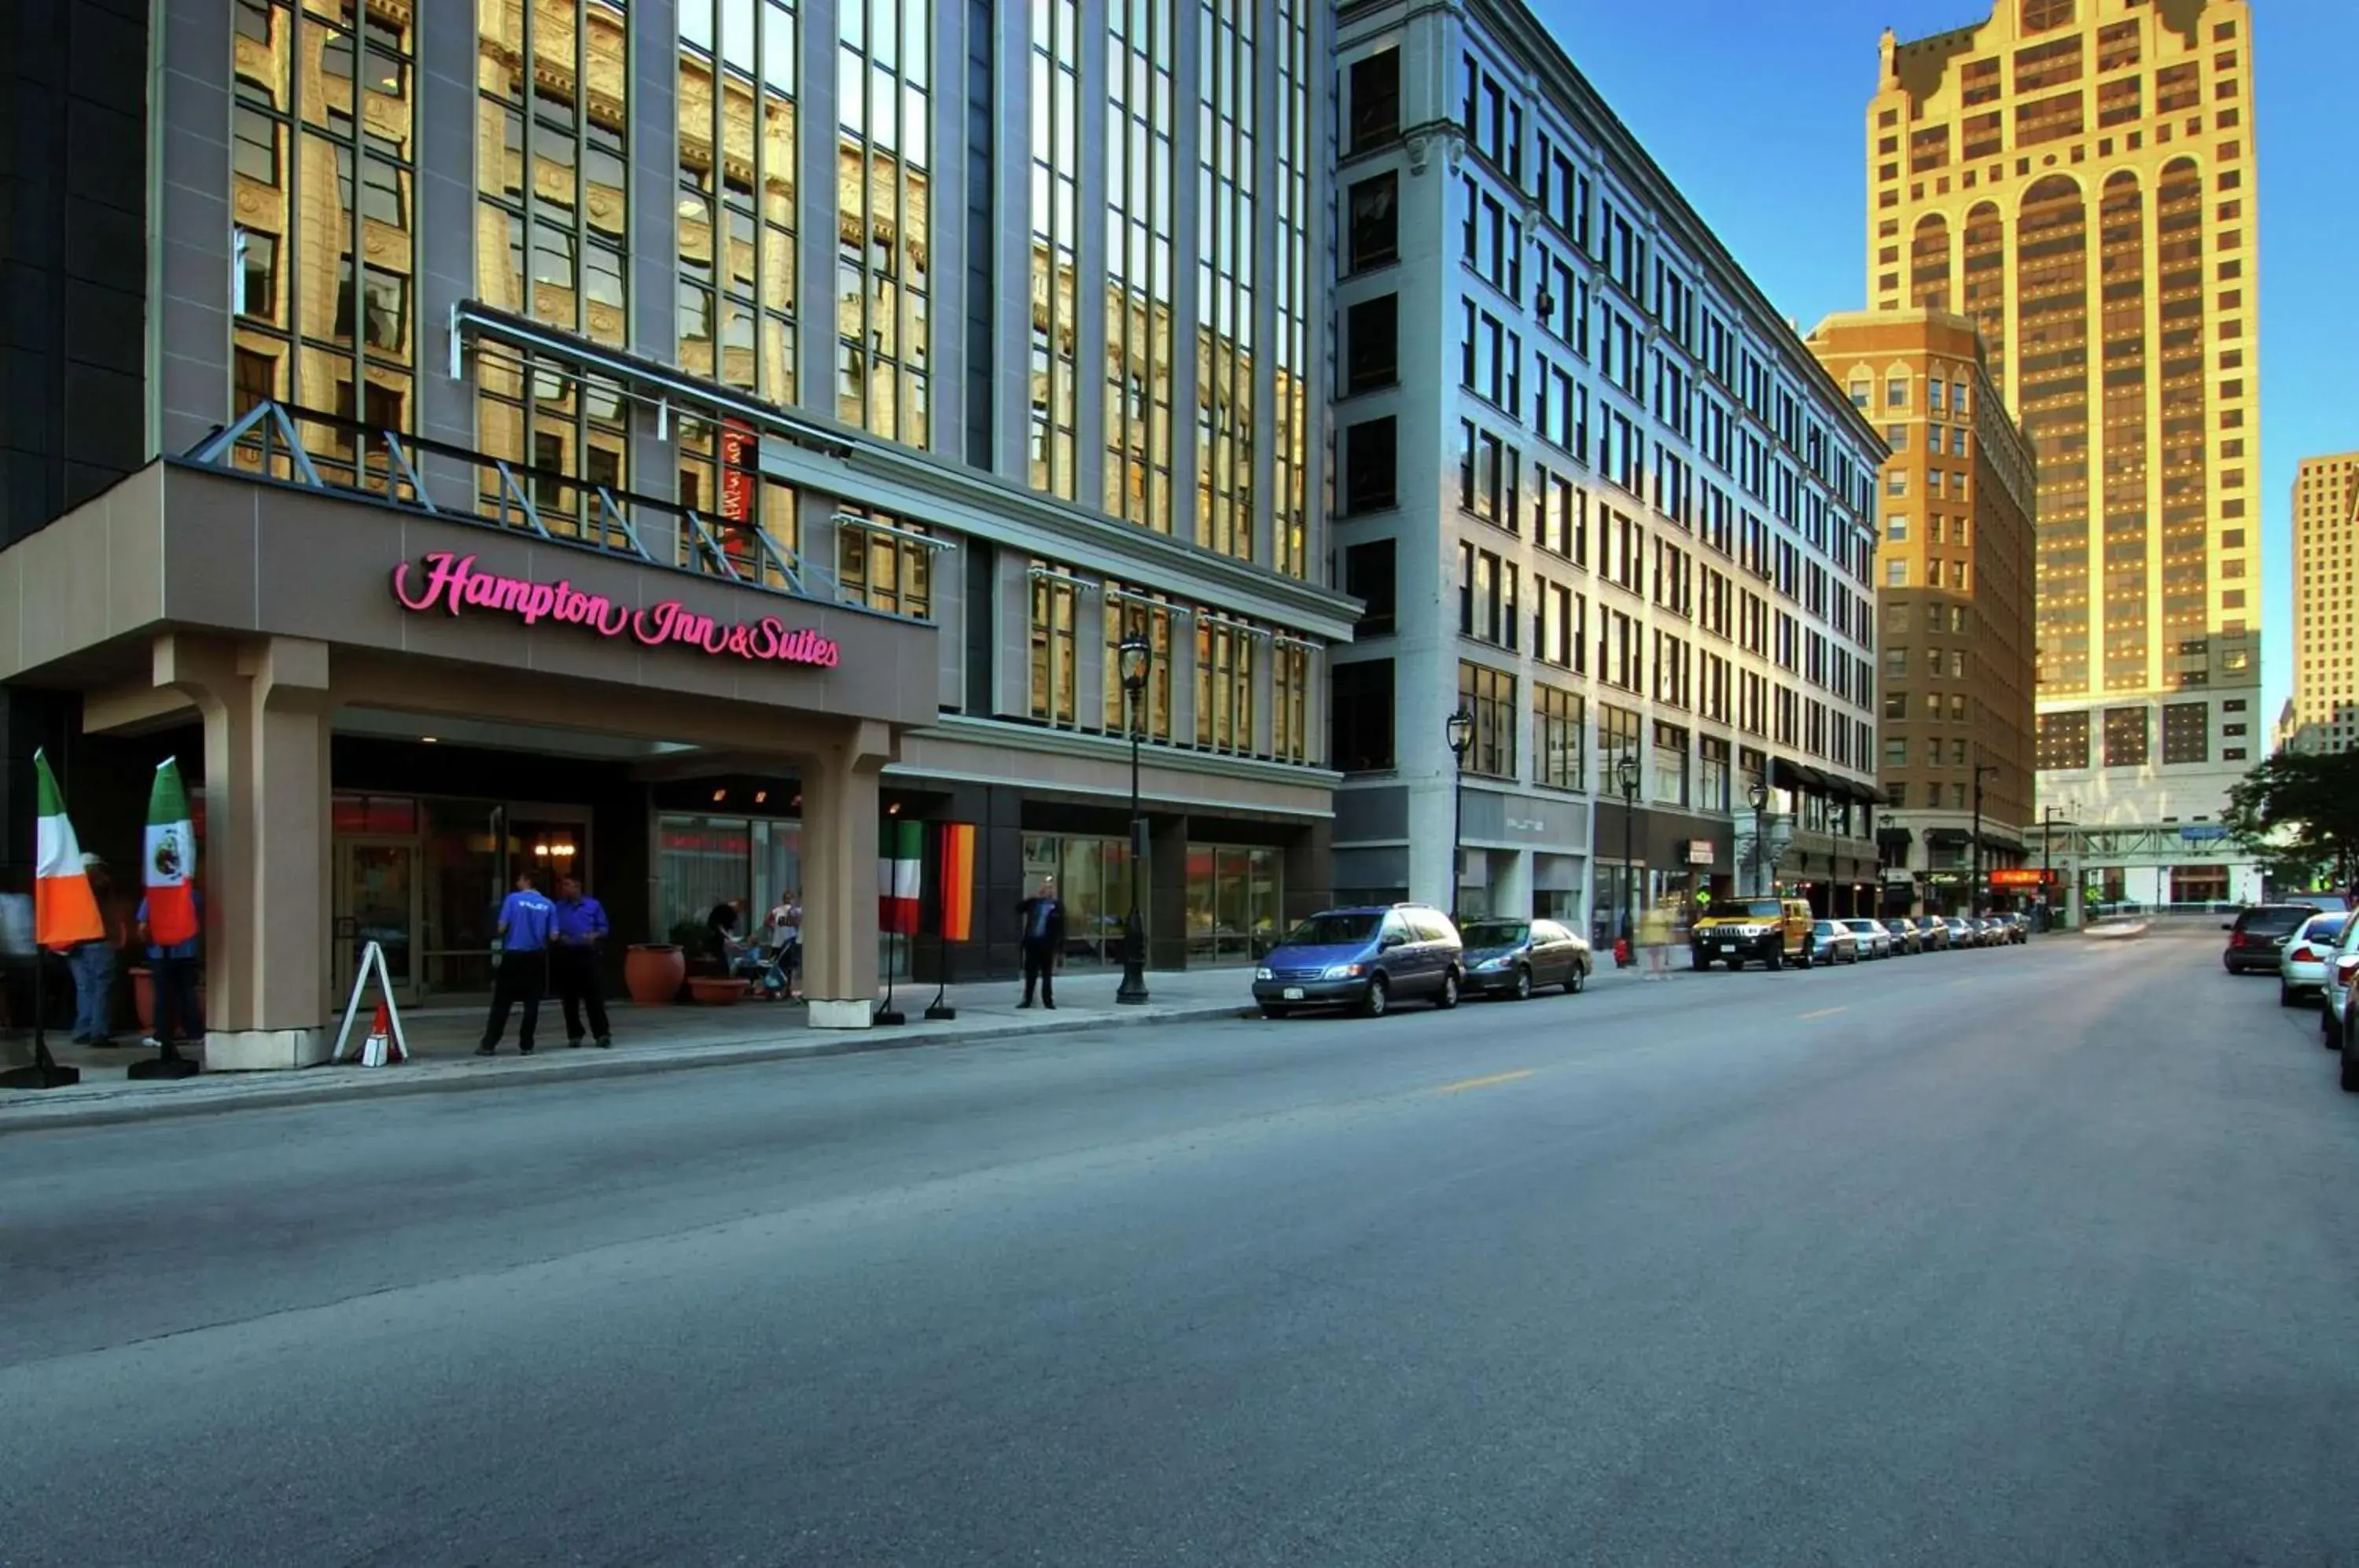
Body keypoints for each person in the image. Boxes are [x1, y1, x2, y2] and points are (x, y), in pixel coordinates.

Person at [479, 870, 556, 1055]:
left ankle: (489, 1044)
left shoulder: (512, 900)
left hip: (514, 954)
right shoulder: (548, 904)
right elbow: (554, 935)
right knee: (532, 1003)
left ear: (527, 881)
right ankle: (527, 1044)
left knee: (502, 1002)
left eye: (520, 879)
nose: (517, 882)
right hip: (536, 957)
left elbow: (501, 927)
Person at [68, 854, 130, 1045]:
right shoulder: (100, 884)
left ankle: (83, 1030)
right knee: (103, 986)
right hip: (98, 941)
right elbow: (112, 910)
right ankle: (99, 1032)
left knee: (84, 987)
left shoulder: (69, 886)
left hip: (74, 942)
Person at [135, 883, 204, 1052]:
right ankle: (194, 1032)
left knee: (163, 994)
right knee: (187, 991)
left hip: (161, 951)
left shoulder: (154, 894)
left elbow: (143, 926)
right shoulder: (193, 894)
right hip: (187, 950)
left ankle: (164, 1034)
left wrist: (146, 942)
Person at [551, 874, 612, 1049]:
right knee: (569, 998)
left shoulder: (593, 905)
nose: (565, 889)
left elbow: (603, 928)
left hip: (587, 953)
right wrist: (559, 937)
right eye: (563, 886)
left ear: (578, 887)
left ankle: (601, 1034)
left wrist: (594, 936)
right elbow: (553, 928)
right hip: (566, 953)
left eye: (568, 885)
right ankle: (575, 1034)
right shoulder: (558, 907)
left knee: (593, 996)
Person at [1015, 875, 1065, 1009]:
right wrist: (1032, 896)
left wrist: (1059, 948)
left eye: (1049, 888)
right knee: (1030, 974)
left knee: (1046, 974)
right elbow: (1019, 908)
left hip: (1047, 945)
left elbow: (1061, 928)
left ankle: (1048, 1001)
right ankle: (1027, 1000)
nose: (1046, 890)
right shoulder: (1034, 903)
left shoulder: (1057, 907)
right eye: (1044, 888)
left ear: (1053, 891)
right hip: (1032, 943)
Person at [765, 891, 803, 997]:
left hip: (781, 942)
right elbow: (797, 923)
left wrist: (775, 928)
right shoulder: (791, 910)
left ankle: (777, 989)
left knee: (778, 966)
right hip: (786, 942)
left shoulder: (778, 910)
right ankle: (782, 989)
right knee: (786, 967)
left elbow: (768, 922)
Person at [1639, 901, 1674, 980]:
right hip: (1661, 937)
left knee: (1655, 956)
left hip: (1653, 937)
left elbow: (1643, 925)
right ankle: (1662, 972)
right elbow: (1669, 924)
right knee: (1662, 956)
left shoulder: (1649, 915)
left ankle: (1656, 972)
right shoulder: (1664, 914)